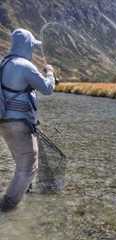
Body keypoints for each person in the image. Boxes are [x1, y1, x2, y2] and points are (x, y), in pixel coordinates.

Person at [0, 28, 55, 212]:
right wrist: (49, 72)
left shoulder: (4, 63)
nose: (32, 49)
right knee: (29, 168)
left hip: (5, 122)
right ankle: (7, 208)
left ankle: (20, 196)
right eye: (32, 45)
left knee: (22, 165)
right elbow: (47, 89)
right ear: (27, 45)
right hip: (19, 125)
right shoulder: (24, 65)